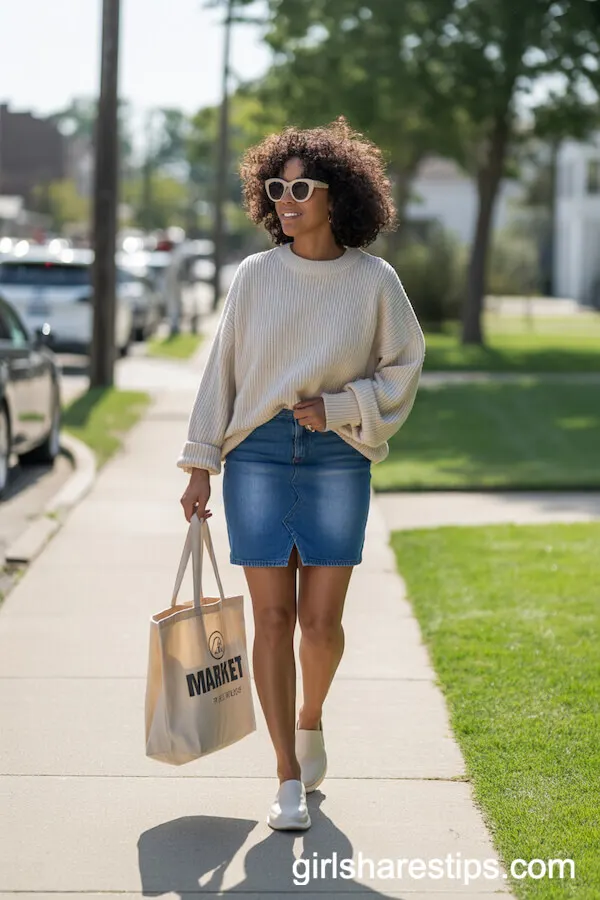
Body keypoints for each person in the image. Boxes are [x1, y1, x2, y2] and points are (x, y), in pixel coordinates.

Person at [178, 117, 426, 831]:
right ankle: (287, 773)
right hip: (255, 452)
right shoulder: (255, 276)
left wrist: (345, 405)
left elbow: (404, 370)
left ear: (336, 195)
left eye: (300, 187)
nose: (285, 199)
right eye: (275, 187)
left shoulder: (375, 281)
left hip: (336, 457)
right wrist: (200, 463)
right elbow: (221, 373)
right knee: (273, 618)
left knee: (321, 625)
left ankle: (311, 717)